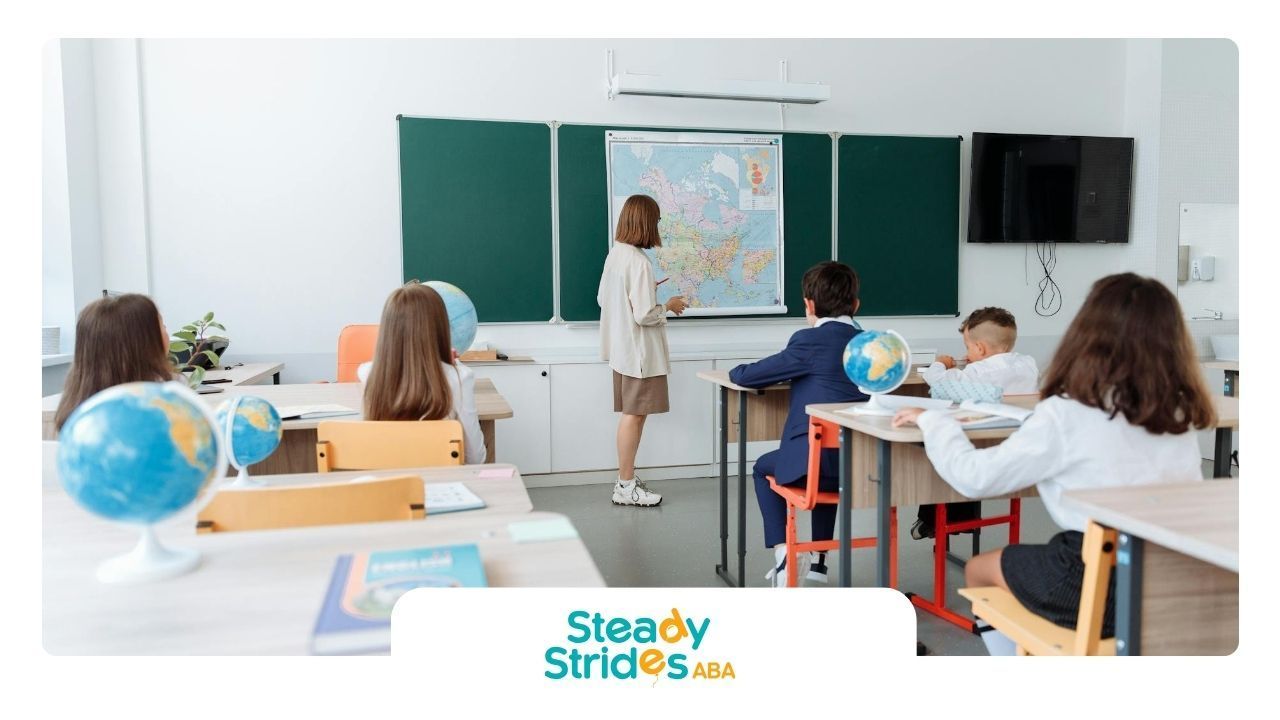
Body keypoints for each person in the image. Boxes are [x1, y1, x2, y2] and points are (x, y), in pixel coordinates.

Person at [891, 273, 1216, 654]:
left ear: (1086, 333)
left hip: (1093, 581)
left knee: (980, 570)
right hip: (1173, 580)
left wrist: (935, 422)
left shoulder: (1067, 412)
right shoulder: (1176, 412)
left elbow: (974, 479)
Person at [728, 261, 867, 586]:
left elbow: (748, 376)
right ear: (856, 305)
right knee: (832, 453)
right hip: (863, 466)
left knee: (763, 467)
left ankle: (784, 555)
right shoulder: (872, 345)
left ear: (809, 305)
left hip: (813, 468)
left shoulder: (808, 341)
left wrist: (737, 370)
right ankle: (819, 560)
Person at [913, 306, 1040, 540]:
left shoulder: (977, 371)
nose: (967, 353)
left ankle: (935, 520)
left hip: (979, 454)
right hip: (1017, 450)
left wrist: (941, 363)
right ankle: (961, 521)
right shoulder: (1028, 364)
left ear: (980, 348)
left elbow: (937, 381)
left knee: (940, 443)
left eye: (968, 347)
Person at [597, 194, 687, 507]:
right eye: (657, 220)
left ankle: (626, 481)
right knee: (634, 418)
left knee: (631, 416)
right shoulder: (638, 262)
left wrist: (648, 294)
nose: (659, 226)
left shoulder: (616, 255)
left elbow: (603, 299)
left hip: (623, 352)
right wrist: (668, 305)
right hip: (640, 357)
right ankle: (625, 485)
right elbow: (645, 315)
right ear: (646, 222)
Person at [358, 282, 486, 465]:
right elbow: (476, 458)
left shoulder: (365, 373)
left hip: (388, 488)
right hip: (438, 489)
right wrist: (454, 366)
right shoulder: (459, 378)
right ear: (440, 326)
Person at [54, 293, 175, 431]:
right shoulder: (165, 403)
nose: (167, 332)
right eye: (162, 326)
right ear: (143, 343)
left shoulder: (77, 408)